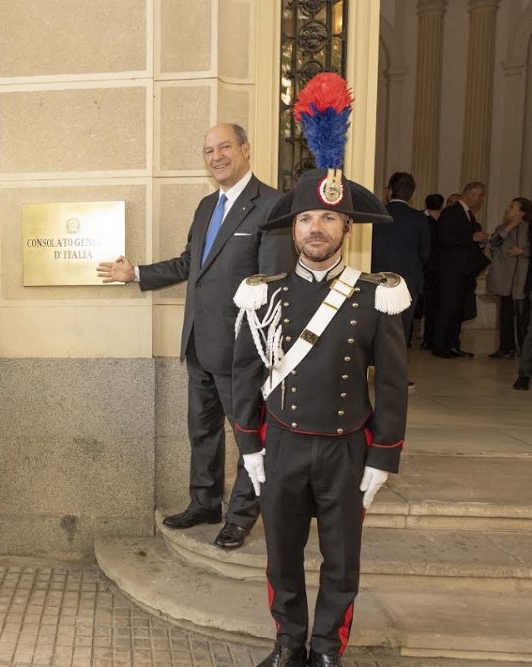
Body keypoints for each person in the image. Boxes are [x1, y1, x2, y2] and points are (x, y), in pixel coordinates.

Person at [230, 73, 409, 667]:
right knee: (281, 555)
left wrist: (382, 455)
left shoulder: (373, 296)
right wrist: (250, 447)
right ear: (294, 229)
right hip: (281, 444)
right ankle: (288, 643)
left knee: (341, 558)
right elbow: (244, 379)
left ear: (346, 230)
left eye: (328, 221)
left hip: (344, 450)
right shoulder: (264, 295)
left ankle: (328, 648)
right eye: (306, 219)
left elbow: (390, 384)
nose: (316, 229)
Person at [96, 123, 294, 550]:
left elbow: (272, 283)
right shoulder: (207, 206)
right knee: (202, 431)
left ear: (245, 149)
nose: (217, 156)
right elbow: (191, 262)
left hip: (243, 349)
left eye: (225, 147)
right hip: (198, 344)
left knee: (248, 436)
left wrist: (261, 350)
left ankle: (241, 515)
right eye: (208, 150)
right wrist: (138, 274)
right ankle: (204, 503)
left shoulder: (274, 205)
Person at [430, 182, 489, 358]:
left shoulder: (468, 215)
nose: (481, 200)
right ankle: (440, 347)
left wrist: (479, 240)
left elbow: (466, 241)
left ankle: (453, 345)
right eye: (480, 195)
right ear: (470, 193)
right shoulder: (451, 212)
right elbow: (444, 237)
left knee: (457, 309)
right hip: (451, 270)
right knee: (448, 307)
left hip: (462, 271)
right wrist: (471, 237)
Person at [372, 172, 430, 343]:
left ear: (389, 191)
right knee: (401, 332)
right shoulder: (419, 218)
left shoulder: (375, 215)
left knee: (378, 331)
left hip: (377, 280)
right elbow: (425, 253)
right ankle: (397, 367)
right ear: (411, 194)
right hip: (409, 281)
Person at [486, 198, 532, 359]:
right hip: (505, 280)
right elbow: (492, 244)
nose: (508, 209)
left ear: (522, 212)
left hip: (522, 280)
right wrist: (510, 227)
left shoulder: (529, 229)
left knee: (522, 318)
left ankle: (522, 350)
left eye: (512, 207)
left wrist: (523, 252)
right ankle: (505, 348)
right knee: (505, 315)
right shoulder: (501, 228)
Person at [419, 193, 444, 350]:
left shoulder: (423, 219)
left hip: (432, 269)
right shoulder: (426, 221)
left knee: (431, 305)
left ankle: (428, 338)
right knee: (428, 305)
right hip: (428, 269)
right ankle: (427, 338)